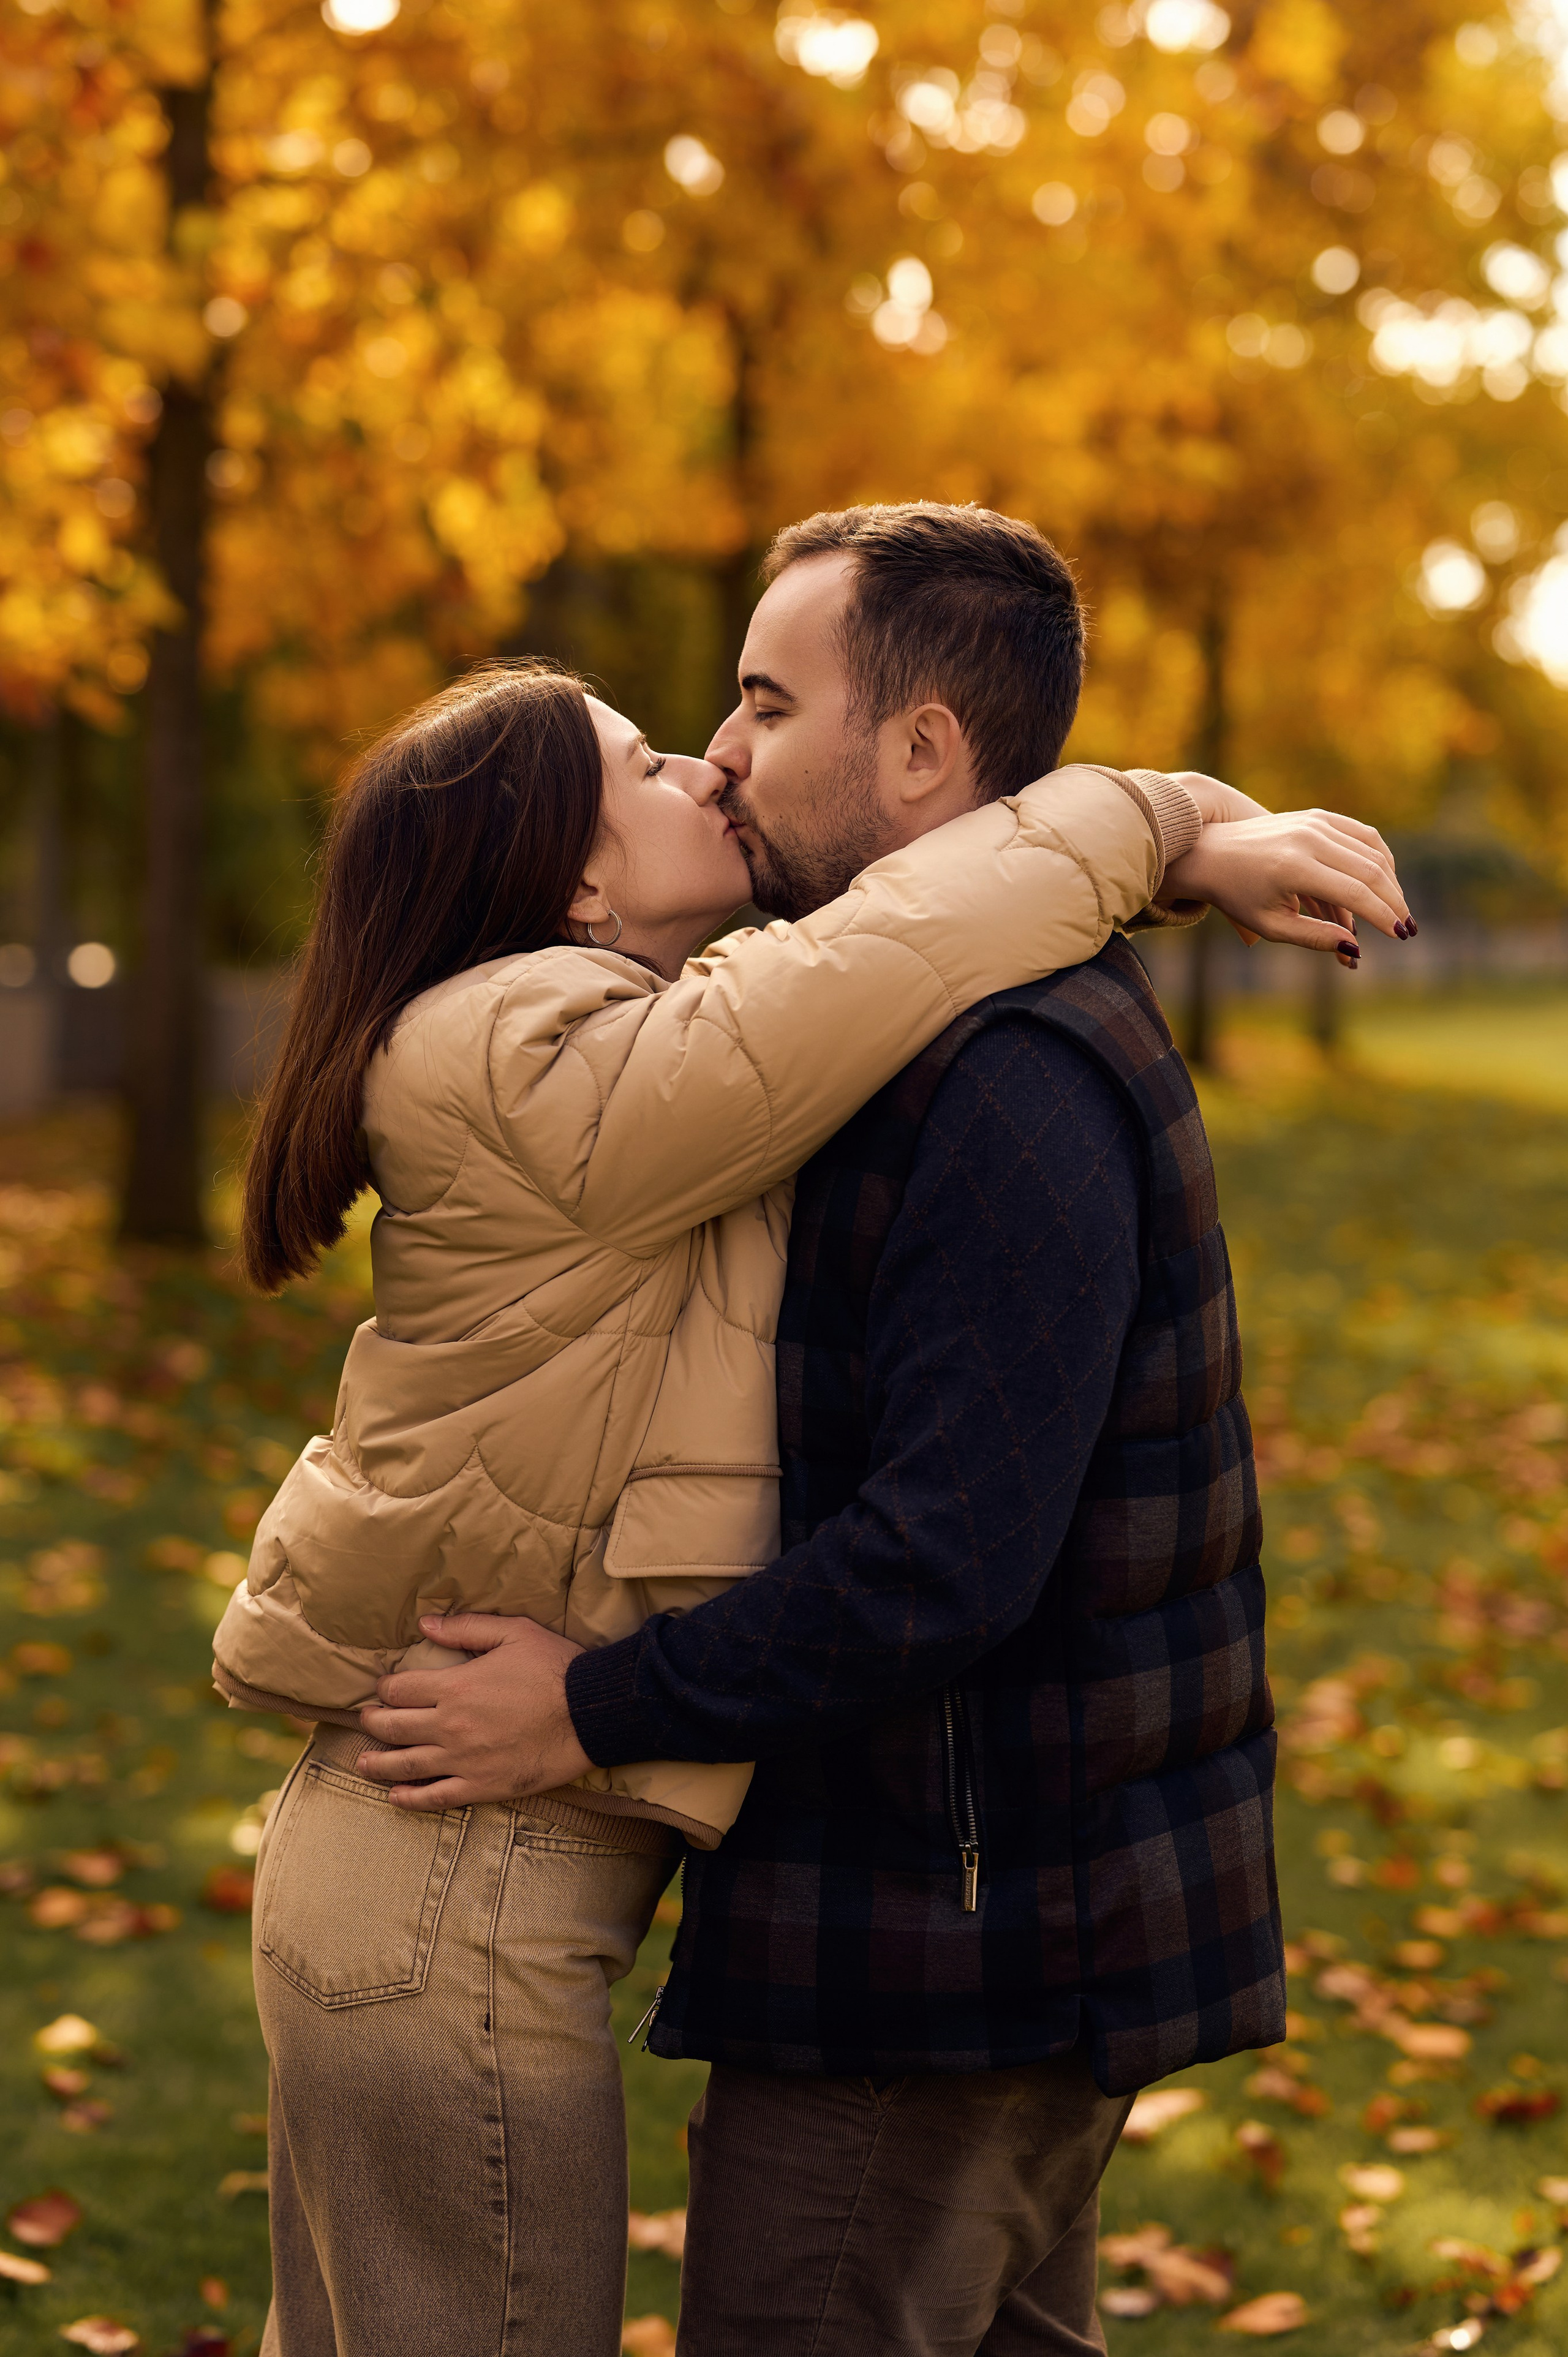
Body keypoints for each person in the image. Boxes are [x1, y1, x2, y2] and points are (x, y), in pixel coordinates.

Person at [349, 507, 1412, 2356]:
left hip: (953, 1948)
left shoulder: (1007, 1077)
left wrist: (588, 1705)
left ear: (921, 753)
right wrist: (1178, 837)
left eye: (769, 703)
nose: (724, 751)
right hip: (951, 1915)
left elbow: (942, 1564)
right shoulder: (882, 1025)